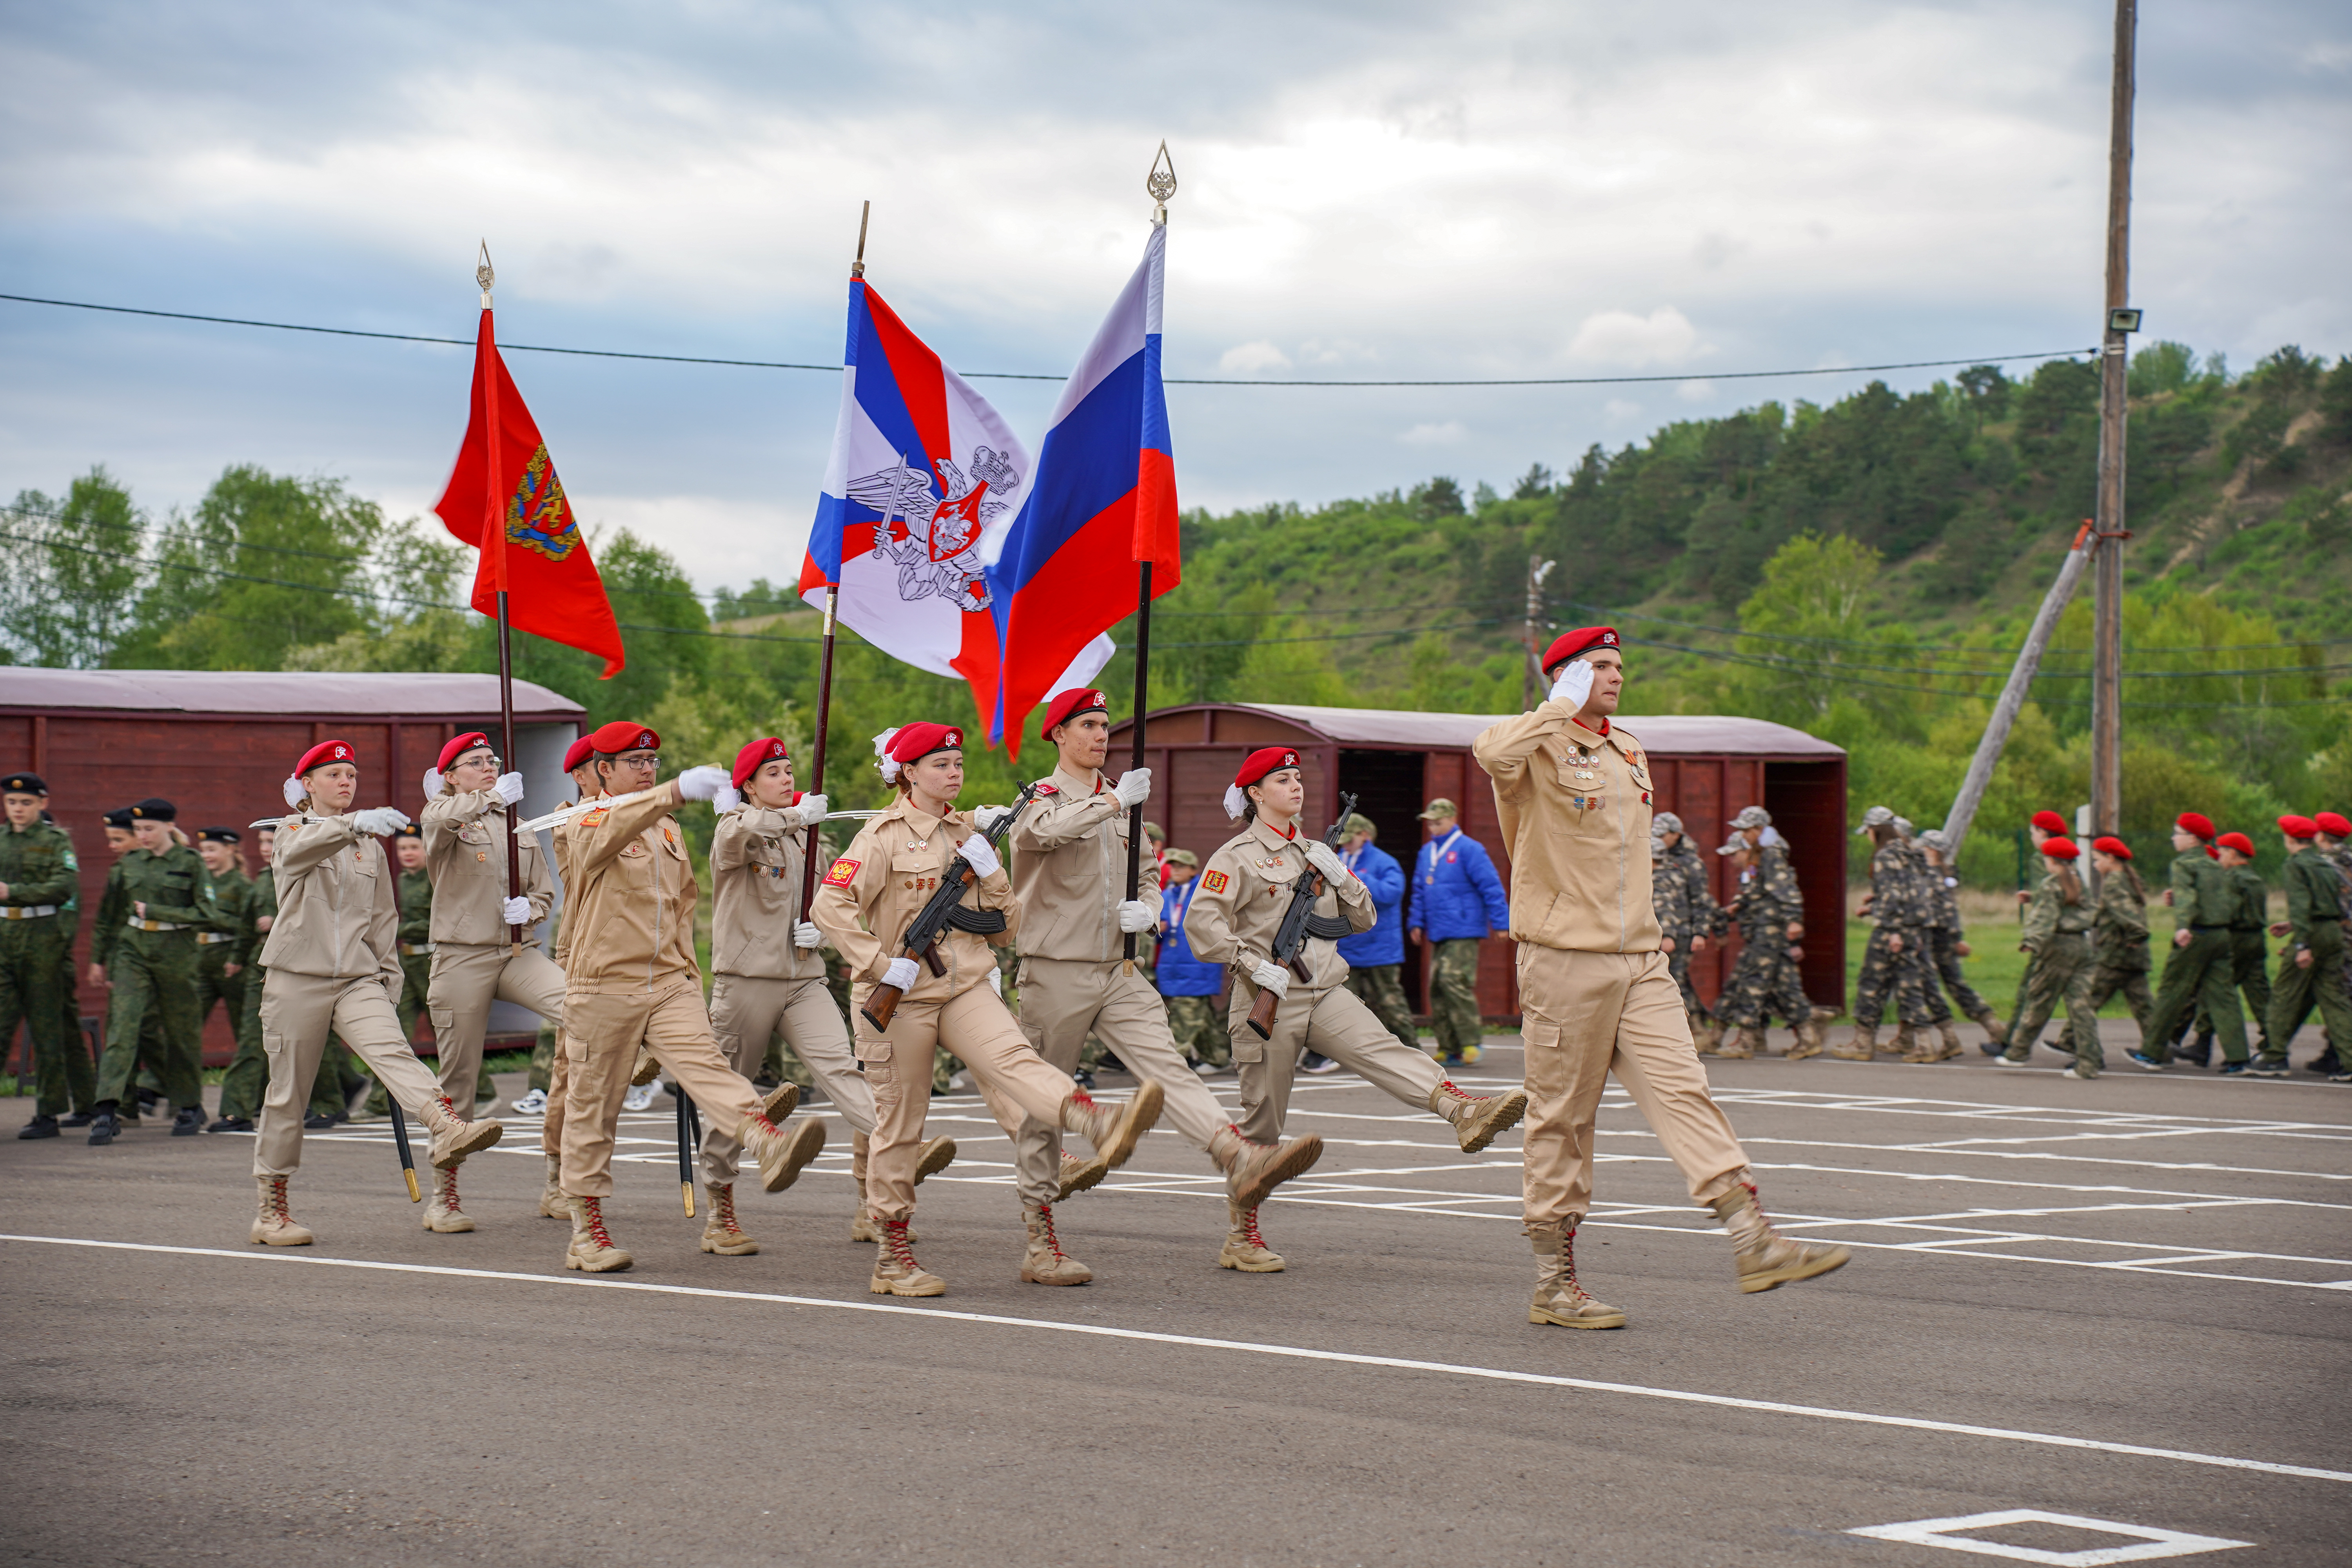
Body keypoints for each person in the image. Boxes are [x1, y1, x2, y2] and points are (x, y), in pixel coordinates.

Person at [1473, 627, 1849, 1328]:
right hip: (1563, 960)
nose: (1616, 676)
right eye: (1599, 667)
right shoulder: (1531, 742)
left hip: (1639, 960)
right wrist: (1557, 707)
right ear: (1564, 676)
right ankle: (1554, 1283)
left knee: (1686, 1089)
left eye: (1618, 666)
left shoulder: (1628, 750)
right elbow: (1490, 753)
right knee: (1562, 1122)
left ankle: (1751, 1236)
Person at [811, 720, 1165, 1296]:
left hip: (965, 984)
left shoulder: (968, 834)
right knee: (901, 1127)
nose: (954, 774)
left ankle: (1095, 1120)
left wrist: (994, 873)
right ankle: (893, 1258)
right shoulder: (881, 837)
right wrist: (877, 963)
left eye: (957, 765)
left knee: (1016, 1061)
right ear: (908, 772)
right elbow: (830, 904)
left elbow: (1004, 931)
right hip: (900, 999)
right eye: (940, 766)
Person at [1004, 690, 1323, 1282]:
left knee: (1168, 1070)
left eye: (1105, 726)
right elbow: (1034, 839)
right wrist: (1112, 805)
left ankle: (1238, 1154)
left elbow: (1148, 876)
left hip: (1120, 968)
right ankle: (1040, 1237)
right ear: (1059, 735)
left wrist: (1148, 911)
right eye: (1089, 726)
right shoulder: (1042, 799)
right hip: (1056, 968)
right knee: (1045, 1102)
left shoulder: (1122, 802)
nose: (1101, 736)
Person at [1186, 746, 1527, 1271]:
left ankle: (1463, 1111)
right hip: (1266, 996)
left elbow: (1363, 919)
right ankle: (1242, 1236)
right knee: (1263, 1130)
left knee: (1384, 1049)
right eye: (1282, 780)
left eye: (1298, 777)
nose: (1295, 786)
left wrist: (1342, 878)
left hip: (1324, 990)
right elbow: (1202, 926)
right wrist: (1250, 964)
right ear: (1256, 794)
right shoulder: (1233, 858)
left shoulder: (1316, 852)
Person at [553, 720, 824, 1273]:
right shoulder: (584, 818)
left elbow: (680, 909)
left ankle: (764, 1140)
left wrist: (688, 978)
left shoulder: (666, 829)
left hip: (667, 980)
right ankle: (587, 1229)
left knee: (708, 1067)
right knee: (593, 1108)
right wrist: (672, 790)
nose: (647, 770)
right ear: (603, 770)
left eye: (653, 763)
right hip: (603, 984)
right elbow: (610, 829)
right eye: (635, 762)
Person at [250, 739, 504, 1245]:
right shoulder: (290, 830)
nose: (346, 782)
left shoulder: (369, 845)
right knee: (288, 1096)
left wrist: (389, 978)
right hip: (297, 977)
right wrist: (352, 822)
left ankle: (445, 1124)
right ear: (307, 784)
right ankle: (272, 1207)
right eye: (334, 775)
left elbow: (383, 917)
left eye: (352, 774)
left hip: (357, 979)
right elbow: (299, 854)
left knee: (394, 1051)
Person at [704, 734, 951, 1254]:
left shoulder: (808, 838)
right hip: (746, 980)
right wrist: (796, 817)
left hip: (802, 978)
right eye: (773, 774)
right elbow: (740, 835)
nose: (787, 779)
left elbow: (838, 891)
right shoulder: (738, 827)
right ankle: (720, 1208)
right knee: (734, 1092)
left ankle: (902, 1151)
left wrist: (821, 925)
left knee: (843, 1067)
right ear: (747, 786)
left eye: (789, 770)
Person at [414, 732, 566, 1229]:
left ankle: (560, 1182)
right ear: (451, 776)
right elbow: (439, 820)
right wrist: (487, 799)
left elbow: (544, 892)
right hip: (462, 957)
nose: (488, 767)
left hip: (516, 952)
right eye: (475, 762)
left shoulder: (518, 827)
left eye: (492, 760)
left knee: (579, 1006)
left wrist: (532, 908)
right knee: (458, 1082)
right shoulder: (445, 816)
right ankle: (445, 1195)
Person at [85, 799, 217, 1144]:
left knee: (181, 1032)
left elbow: (207, 913)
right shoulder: (128, 864)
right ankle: (106, 1109)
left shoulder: (190, 863)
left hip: (177, 953)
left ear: (169, 828)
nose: (141, 835)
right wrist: (99, 959)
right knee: (123, 1027)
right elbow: (108, 917)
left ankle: (189, 1105)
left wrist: (158, 911)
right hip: (133, 951)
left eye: (149, 829)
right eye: (138, 830)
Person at [2131, 813, 2246, 1073]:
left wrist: (2183, 925)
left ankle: (2152, 1053)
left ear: (2192, 839)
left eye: (2178, 833)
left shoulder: (2184, 864)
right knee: (2224, 998)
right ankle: (2239, 1058)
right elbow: (2221, 901)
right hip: (2221, 937)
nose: (2174, 838)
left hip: (2197, 935)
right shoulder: (2215, 865)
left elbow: (2187, 897)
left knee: (2172, 992)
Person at [4, 772, 85, 1139]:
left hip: (41, 939)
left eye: (25, 803)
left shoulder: (55, 841)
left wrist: (13, 892)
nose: (18, 809)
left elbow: (64, 886)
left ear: (42, 804)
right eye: (11, 802)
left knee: (46, 1029)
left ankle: (48, 1113)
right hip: (4, 937)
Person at [1715, 807, 1829, 1060]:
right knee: (1787, 987)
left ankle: (1746, 1042)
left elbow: (1786, 890)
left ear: (1759, 830)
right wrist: (1741, 904)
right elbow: (1760, 890)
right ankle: (1809, 1037)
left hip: (1770, 929)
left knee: (1753, 983)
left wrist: (1794, 921)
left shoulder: (1771, 855)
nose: (1743, 836)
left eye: (1747, 830)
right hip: (1765, 928)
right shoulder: (1761, 855)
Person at [1844, 806, 1956, 1063]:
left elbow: (1894, 895)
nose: (1869, 837)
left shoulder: (1885, 856)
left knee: (1871, 983)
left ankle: (1863, 1043)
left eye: (1869, 832)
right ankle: (1925, 1044)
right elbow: (1916, 890)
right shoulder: (1911, 851)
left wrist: (1893, 931)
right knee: (1911, 986)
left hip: (1892, 930)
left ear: (1876, 830)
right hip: (1915, 928)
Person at [1407, 797, 1510, 1068]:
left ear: (1453, 819)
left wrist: (1501, 923)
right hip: (1438, 929)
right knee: (1437, 987)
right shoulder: (1426, 851)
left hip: (1464, 927)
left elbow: (1492, 886)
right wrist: (1416, 922)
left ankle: (1470, 1041)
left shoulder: (1470, 849)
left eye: (1438, 821)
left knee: (1454, 981)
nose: (1433, 826)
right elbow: (1419, 890)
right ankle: (1449, 1047)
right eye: (1430, 821)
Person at [1998, 838, 2102, 1077]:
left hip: (2057, 948)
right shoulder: (2077, 882)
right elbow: (2084, 911)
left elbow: (2046, 916)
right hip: (2081, 946)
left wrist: (2031, 941)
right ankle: (2089, 1062)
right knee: (2081, 1007)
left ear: (2052, 860)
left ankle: (2018, 1052)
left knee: (2039, 999)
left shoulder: (2051, 884)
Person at [2256, 817, 2350, 1078]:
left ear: (2289, 839)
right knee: (2336, 1000)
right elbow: (2338, 903)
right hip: (2335, 933)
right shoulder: (2327, 864)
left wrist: (2302, 944)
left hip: (2314, 933)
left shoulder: (2296, 865)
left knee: (2285, 995)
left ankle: (2274, 1056)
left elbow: (2300, 904)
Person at [1916, 828, 2008, 1047]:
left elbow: (1931, 909)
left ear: (1930, 850)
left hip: (1929, 935)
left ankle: (1944, 1034)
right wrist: (1957, 936)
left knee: (1925, 983)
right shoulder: (1946, 875)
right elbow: (1952, 910)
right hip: (1946, 935)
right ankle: (1992, 1024)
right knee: (1956, 983)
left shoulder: (1927, 875)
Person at [1336, 813, 1416, 1052]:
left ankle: (1412, 1050)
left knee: (1389, 1004)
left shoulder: (1384, 862)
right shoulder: (1338, 859)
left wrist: (1359, 879)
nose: (1346, 844)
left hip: (1380, 947)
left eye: (1351, 838)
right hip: (1347, 947)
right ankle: (1339, 1053)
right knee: (1341, 1005)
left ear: (1365, 836)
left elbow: (1392, 894)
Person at [1651, 813, 1728, 1051]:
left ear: (1676, 834)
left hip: (1680, 932)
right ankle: (1697, 1028)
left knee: (1677, 980)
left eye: (1663, 835)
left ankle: (1696, 1030)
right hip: (1666, 930)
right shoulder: (1656, 857)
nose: (1659, 839)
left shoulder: (1690, 863)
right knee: (1678, 979)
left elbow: (1701, 900)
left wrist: (1701, 932)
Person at [2080, 836, 2155, 1046]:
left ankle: (2072, 1043)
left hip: (2116, 955)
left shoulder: (2113, 883)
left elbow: (2129, 916)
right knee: (2144, 1006)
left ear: (2111, 859)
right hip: (2133, 956)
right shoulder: (2127, 880)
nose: (2096, 865)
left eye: (2098, 860)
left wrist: (2137, 934)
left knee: (2088, 1000)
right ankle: (2159, 1048)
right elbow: (2106, 913)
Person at [1156, 850, 1225, 1071]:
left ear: (1194, 870)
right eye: (1174, 866)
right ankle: (1216, 1057)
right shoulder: (1166, 895)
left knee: (1186, 1016)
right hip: (1172, 964)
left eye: (1183, 866)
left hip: (1199, 965)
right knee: (1200, 1015)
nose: (1176, 870)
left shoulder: (1204, 893)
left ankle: (1170, 1065)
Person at [2214, 832, 2275, 1073]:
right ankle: (2275, 1043)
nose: (2219, 857)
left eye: (2221, 852)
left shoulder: (2233, 878)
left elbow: (2227, 911)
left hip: (2236, 938)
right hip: (2256, 938)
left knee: (2221, 992)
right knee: (2259, 994)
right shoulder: (2255, 879)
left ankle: (2227, 1051)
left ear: (2232, 853)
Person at [2311, 811, 2352, 1078]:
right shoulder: (2348, 858)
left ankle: (2340, 1055)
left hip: (2340, 935)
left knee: (2340, 995)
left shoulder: (2325, 864)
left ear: (2322, 835)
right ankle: (2332, 1052)